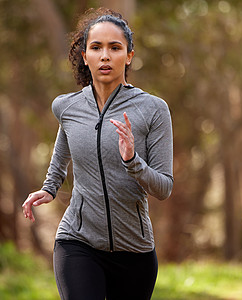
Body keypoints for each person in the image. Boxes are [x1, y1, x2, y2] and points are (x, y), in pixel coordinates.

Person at [22, 7, 173, 300]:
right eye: (96, 47)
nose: (105, 56)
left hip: (134, 251)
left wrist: (132, 161)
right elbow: (63, 147)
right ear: (84, 56)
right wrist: (49, 188)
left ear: (129, 55)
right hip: (77, 242)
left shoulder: (153, 110)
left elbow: (164, 188)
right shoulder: (68, 107)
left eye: (115, 48)